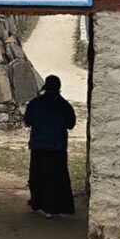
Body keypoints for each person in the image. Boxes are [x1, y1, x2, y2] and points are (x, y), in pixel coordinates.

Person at [23, 74, 76, 218]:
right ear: (59, 87)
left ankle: (40, 203)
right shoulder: (64, 105)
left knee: (39, 176)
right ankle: (61, 207)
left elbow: (27, 121)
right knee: (58, 177)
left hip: (39, 146)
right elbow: (71, 124)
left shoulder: (36, 103)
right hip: (57, 147)